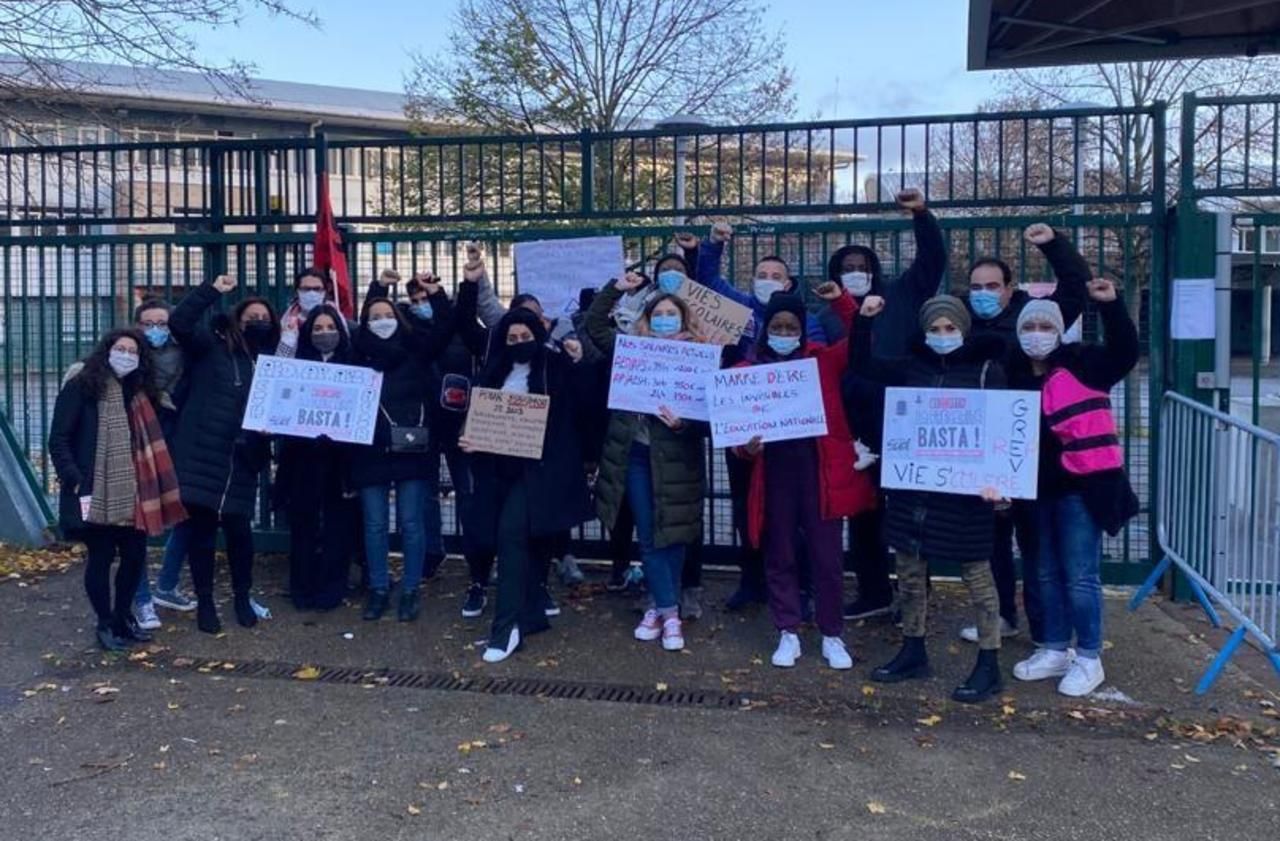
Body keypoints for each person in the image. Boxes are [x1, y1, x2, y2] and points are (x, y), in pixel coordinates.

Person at [849, 295, 1008, 703]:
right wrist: (863, 323)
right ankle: (912, 648)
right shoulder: (910, 367)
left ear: (963, 329)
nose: (942, 336)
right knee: (910, 573)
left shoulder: (988, 370)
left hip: (966, 494)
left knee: (977, 575)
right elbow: (862, 366)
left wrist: (1001, 482)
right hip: (914, 489)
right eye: (934, 329)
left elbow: (1005, 430)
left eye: (949, 328)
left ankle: (990, 662)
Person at [957, 224, 1092, 647]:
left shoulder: (1033, 319)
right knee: (990, 542)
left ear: (1009, 286)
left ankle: (1046, 629)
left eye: (992, 285)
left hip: (1031, 454)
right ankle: (1001, 616)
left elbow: (1076, 287)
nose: (983, 292)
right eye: (976, 286)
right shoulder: (959, 323)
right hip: (982, 453)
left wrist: (1053, 244)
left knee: (1035, 547)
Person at [818, 188, 946, 622]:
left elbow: (931, 264)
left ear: (875, 270)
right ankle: (873, 591)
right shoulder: (825, 311)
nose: (855, 273)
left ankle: (915, 597)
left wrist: (922, 217)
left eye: (862, 266)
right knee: (864, 516)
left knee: (911, 515)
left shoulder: (901, 296)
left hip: (904, 421)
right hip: (854, 428)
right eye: (847, 268)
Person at [735, 284, 877, 670]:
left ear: (802, 328)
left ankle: (832, 634)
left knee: (827, 557)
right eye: (777, 327)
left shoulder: (822, 361)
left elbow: (858, 338)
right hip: (774, 473)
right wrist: (746, 448)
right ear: (766, 329)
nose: (783, 334)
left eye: (790, 326)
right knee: (779, 553)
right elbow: (735, 432)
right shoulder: (746, 372)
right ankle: (788, 631)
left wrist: (842, 302)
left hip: (819, 474)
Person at [1009, 280, 1139, 697]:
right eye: (1030, 327)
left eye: (1047, 327)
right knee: (1044, 572)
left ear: (1059, 331)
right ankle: (1054, 647)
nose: (1037, 334)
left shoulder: (1085, 364)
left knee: (1081, 576)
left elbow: (1125, 352)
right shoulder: (1010, 373)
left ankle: (1088, 656)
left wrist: (1112, 306)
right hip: (1033, 490)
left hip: (1080, 490)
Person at [587, 272, 708, 650]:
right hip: (636, 456)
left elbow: (712, 415)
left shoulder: (699, 357)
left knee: (674, 535)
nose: (665, 320)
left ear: (683, 319)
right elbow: (593, 325)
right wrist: (615, 288)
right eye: (659, 314)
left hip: (678, 458)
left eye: (672, 313)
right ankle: (671, 616)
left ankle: (657, 606)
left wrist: (685, 422)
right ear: (647, 319)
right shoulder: (630, 349)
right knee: (651, 535)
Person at [463, 305, 591, 664]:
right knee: (523, 542)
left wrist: (578, 361)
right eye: (512, 338)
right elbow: (479, 418)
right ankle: (531, 612)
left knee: (511, 537)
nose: (519, 343)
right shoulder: (493, 371)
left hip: (542, 473)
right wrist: (471, 440)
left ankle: (506, 628)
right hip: (500, 472)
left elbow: (584, 402)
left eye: (526, 337)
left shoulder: (555, 367)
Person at [49, 328, 187, 650]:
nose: (126, 355)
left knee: (135, 556)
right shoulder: (82, 386)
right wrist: (74, 477)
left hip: (136, 491)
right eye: (120, 348)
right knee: (100, 556)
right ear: (107, 351)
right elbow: (59, 438)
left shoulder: (142, 392)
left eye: (133, 351)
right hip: (94, 490)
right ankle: (105, 622)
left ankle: (125, 616)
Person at [169, 273, 279, 634]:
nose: (257, 322)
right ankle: (204, 602)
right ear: (237, 319)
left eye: (264, 318)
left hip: (243, 462)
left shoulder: (272, 363)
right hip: (201, 457)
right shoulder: (209, 348)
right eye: (251, 317)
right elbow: (180, 322)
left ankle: (241, 597)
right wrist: (210, 291)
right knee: (201, 535)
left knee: (239, 535)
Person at [349, 279, 459, 622]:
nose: (382, 319)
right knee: (375, 524)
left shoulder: (417, 349)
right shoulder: (357, 353)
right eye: (375, 315)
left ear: (399, 317)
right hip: (370, 451)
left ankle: (411, 589)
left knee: (412, 523)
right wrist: (377, 287)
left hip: (413, 449)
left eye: (388, 314)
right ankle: (380, 589)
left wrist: (438, 295)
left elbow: (446, 327)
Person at [114, 300, 196, 629]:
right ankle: (143, 599)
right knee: (137, 526)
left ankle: (167, 585)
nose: (155, 330)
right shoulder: (123, 361)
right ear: (136, 325)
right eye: (148, 324)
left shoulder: (186, 354)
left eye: (162, 323)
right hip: (138, 446)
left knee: (187, 514)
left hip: (177, 440)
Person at [274, 304, 359, 611]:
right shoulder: (299, 362)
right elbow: (278, 382)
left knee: (338, 527)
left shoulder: (354, 362)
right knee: (303, 526)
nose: (325, 334)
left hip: (341, 461)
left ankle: (332, 588)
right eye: (318, 329)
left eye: (331, 327)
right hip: (302, 457)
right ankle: (302, 588)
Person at [276, 267, 344, 358]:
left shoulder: (339, 320)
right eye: (306, 289)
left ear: (324, 291)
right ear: (297, 291)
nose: (312, 293)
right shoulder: (284, 323)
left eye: (317, 289)